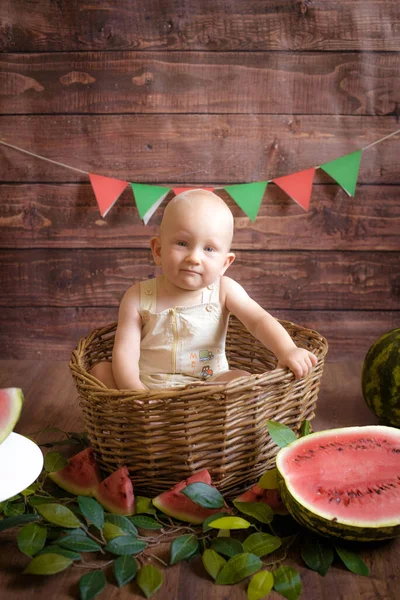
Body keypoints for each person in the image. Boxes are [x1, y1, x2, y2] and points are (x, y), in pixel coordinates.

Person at [90, 189, 318, 390]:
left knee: (242, 380)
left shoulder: (224, 290)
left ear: (224, 264)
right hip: (148, 387)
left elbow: (259, 321)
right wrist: (134, 391)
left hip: (210, 388)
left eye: (209, 249)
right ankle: (147, 421)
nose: (194, 258)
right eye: (182, 243)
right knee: (100, 372)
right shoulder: (138, 297)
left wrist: (287, 350)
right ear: (158, 250)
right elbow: (125, 352)